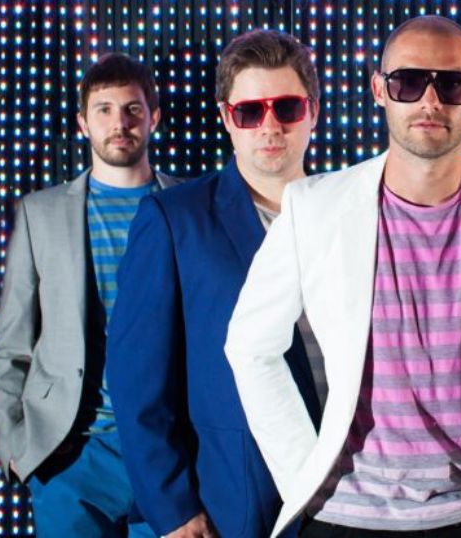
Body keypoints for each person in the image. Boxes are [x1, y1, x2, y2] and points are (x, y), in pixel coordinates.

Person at [225, 15, 461, 538]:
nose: (429, 101)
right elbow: (250, 347)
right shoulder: (314, 207)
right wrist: (302, 472)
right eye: (408, 82)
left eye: (450, 84)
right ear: (380, 91)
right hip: (349, 514)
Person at [106, 29, 324, 538]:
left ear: (313, 111)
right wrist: (173, 510)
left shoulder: (351, 210)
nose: (270, 126)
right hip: (235, 499)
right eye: (250, 112)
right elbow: (138, 384)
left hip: (347, 488)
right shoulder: (174, 219)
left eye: (287, 108)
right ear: (227, 117)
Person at [0, 53, 177, 536]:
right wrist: (16, 448)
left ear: (154, 117)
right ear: (82, 123)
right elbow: (12, 345)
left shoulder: (190, 206)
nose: (120, 123)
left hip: (168, 453)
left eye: (132, 109)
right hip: (70, 457)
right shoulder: (40, 214)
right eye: (104, 109)